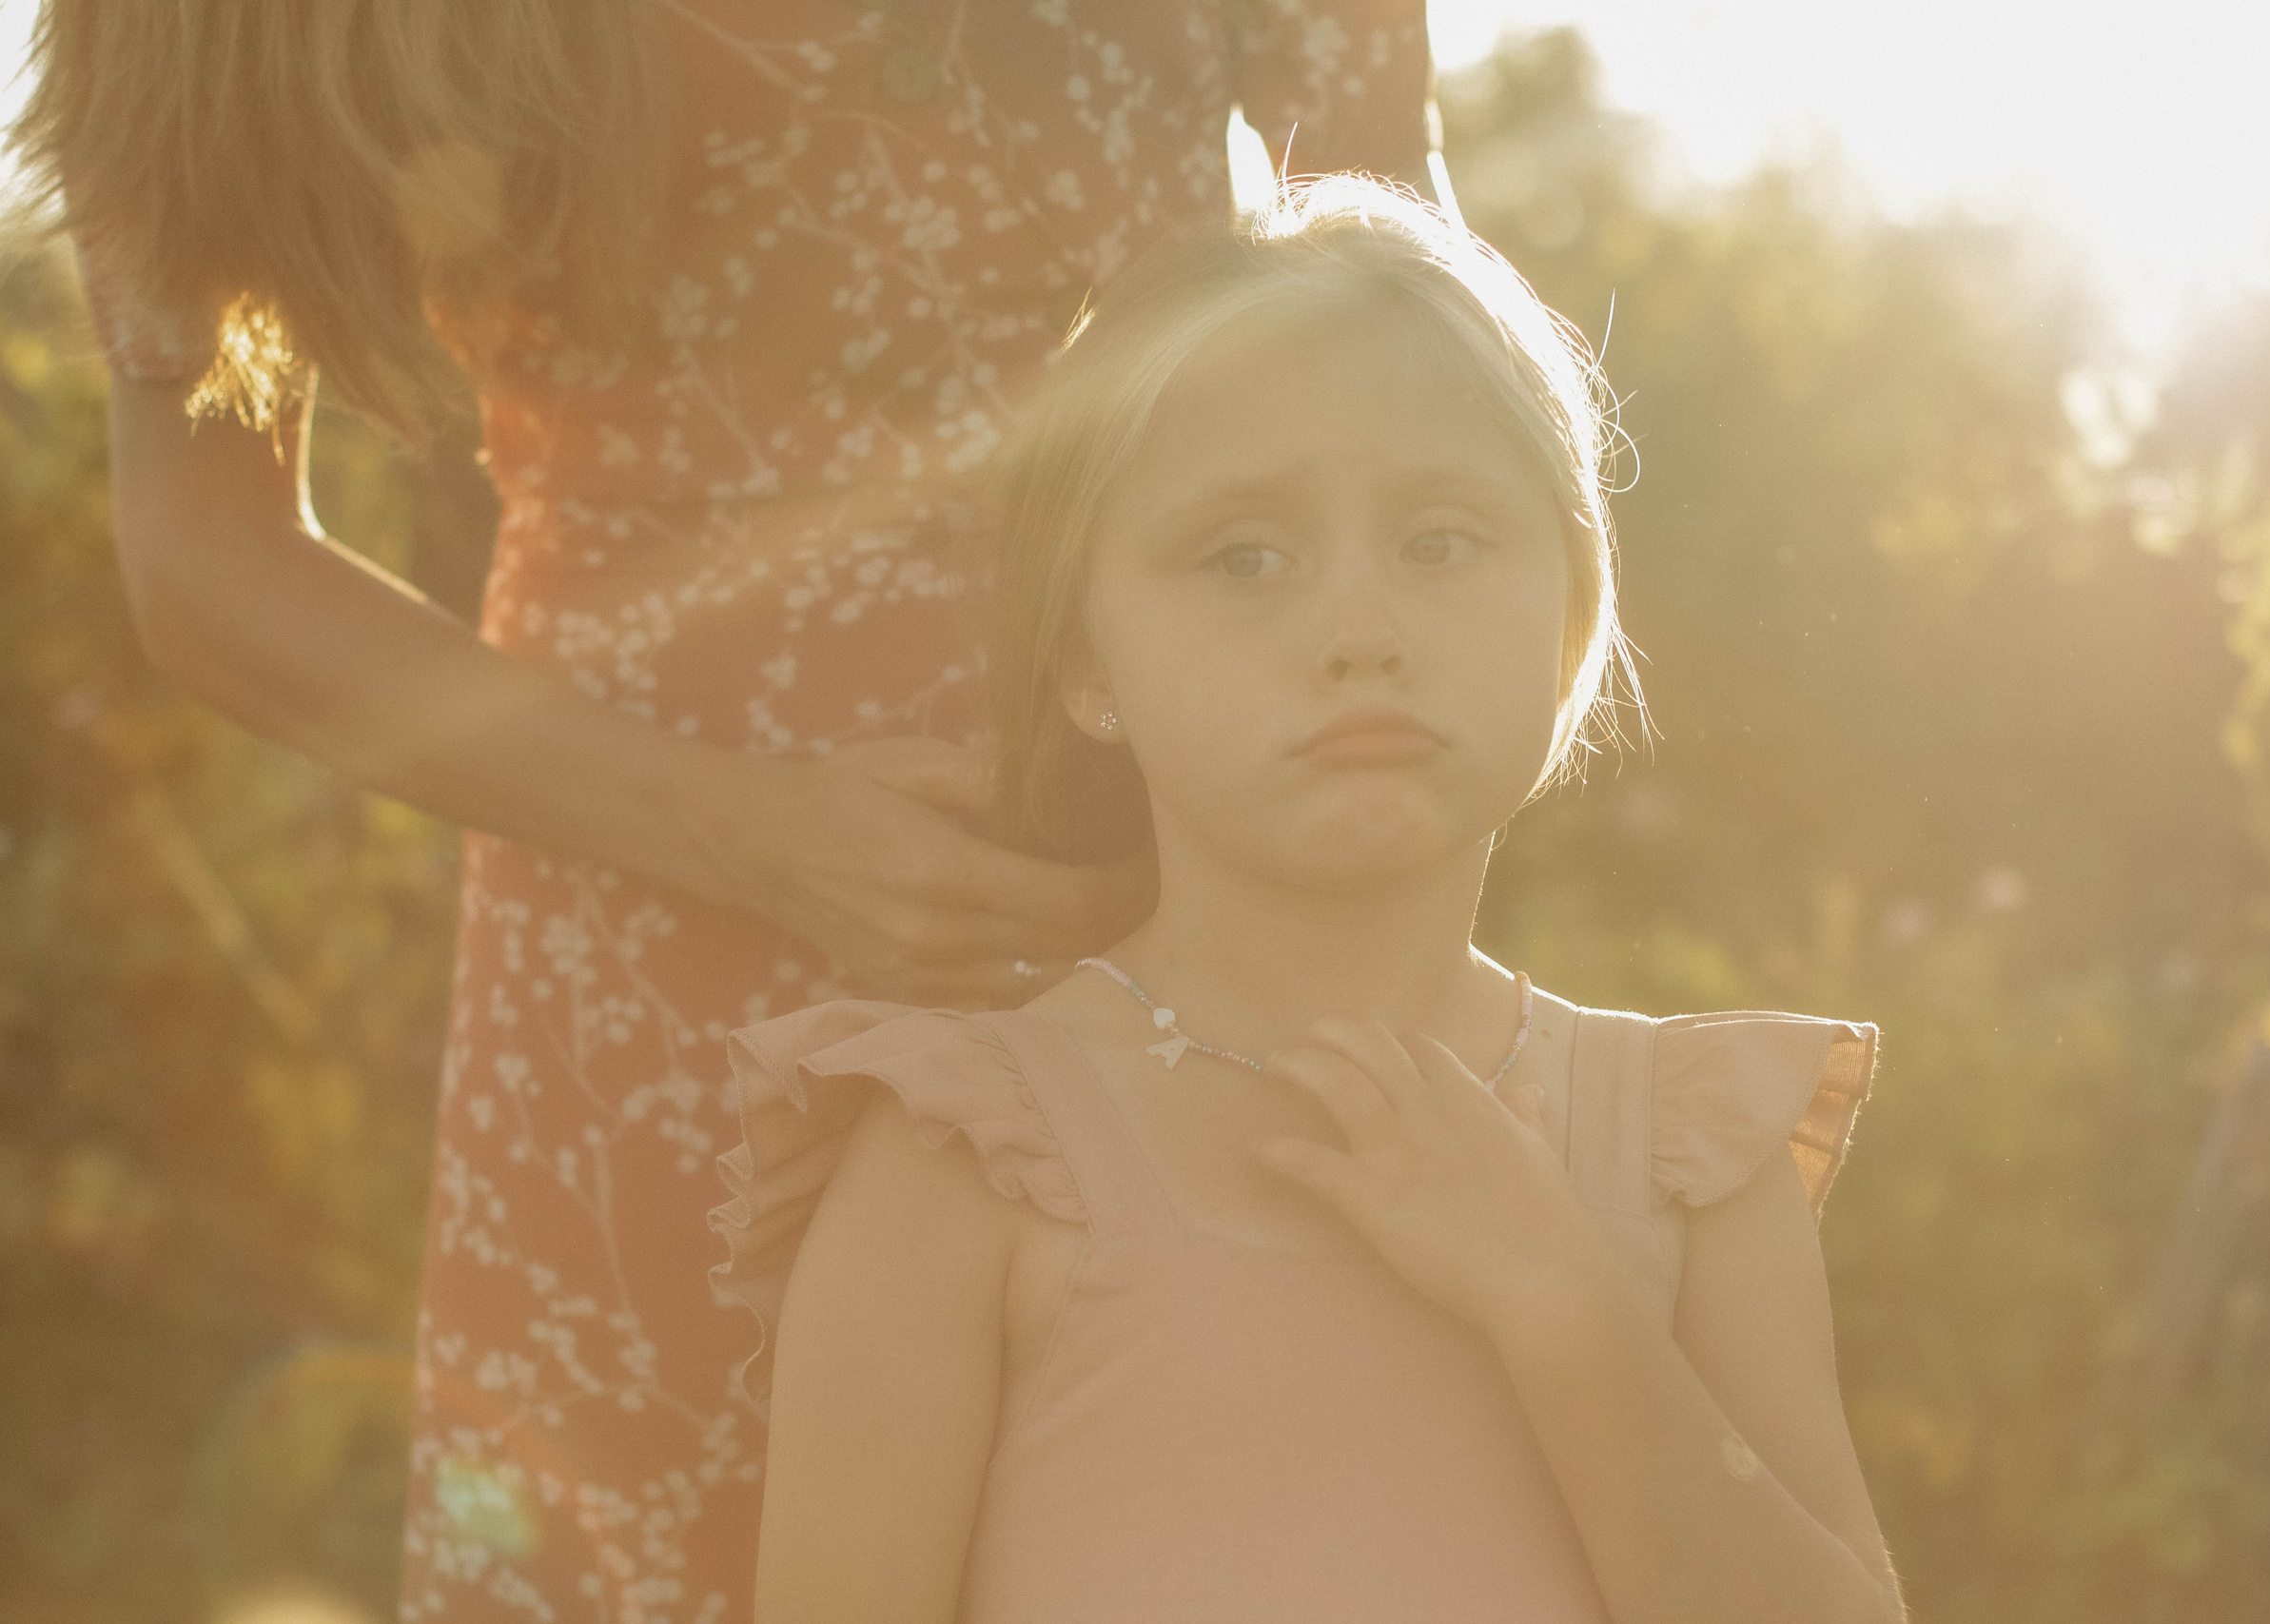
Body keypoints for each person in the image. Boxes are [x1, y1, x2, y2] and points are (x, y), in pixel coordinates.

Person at [9, 2, 1439, 1615]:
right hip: (644, 980)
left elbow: (1413, 371)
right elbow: (206, 559)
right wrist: (748, 831)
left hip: (1179, 924)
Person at [712, 175, 1907, 1621]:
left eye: (1441, 541)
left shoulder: (1687, 1150)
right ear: (1087, 663)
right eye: (1246, 557)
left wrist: (1562, 1299)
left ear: (1572, 619)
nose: (1360, 630)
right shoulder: (968, 1157)